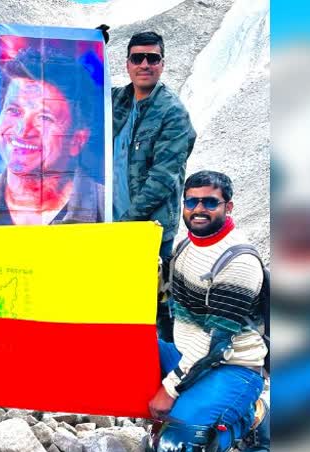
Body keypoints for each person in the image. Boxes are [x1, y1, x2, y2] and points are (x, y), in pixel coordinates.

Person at [143, 171, 269, 452]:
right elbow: (167, 297)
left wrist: (168, 389)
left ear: (228, 207)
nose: (199, 209)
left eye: (210, 202)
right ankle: (210, 405)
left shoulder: (238, 261)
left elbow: (215, 345)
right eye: (192, 201)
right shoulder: (188, 247)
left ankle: (250, 418)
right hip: (190, 357)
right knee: (122, 348)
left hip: (231, 367)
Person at [111, 31, 196, 342]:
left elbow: (162, 178)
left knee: (154, 308)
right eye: (137, 58)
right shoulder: (117, 101)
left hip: (148, 230)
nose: (144, 64)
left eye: (152, 58)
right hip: (112, 225)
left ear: (162, 64)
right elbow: (73, 89)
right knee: (117, 305)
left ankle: (162, 376)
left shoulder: (173, 112)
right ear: (128, 64)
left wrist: (126, 224)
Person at [0, 47, 104, 225]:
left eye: (44, 117)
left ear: (77, 140)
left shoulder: (108, 207)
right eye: (14, 111)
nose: (23, 131)